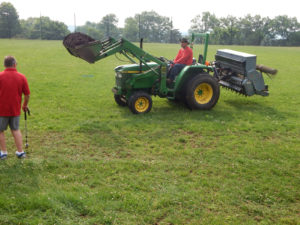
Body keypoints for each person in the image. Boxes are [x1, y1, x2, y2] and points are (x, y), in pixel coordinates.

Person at [0, 56, 30, 159]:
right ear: (15, 64)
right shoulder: (22, 77)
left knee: (0, 131)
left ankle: (3, 152)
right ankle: (20, 152)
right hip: (15, 110)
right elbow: (27, 95)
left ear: (4, 65)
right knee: (15, 130)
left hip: (1, 110)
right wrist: (25, 105)